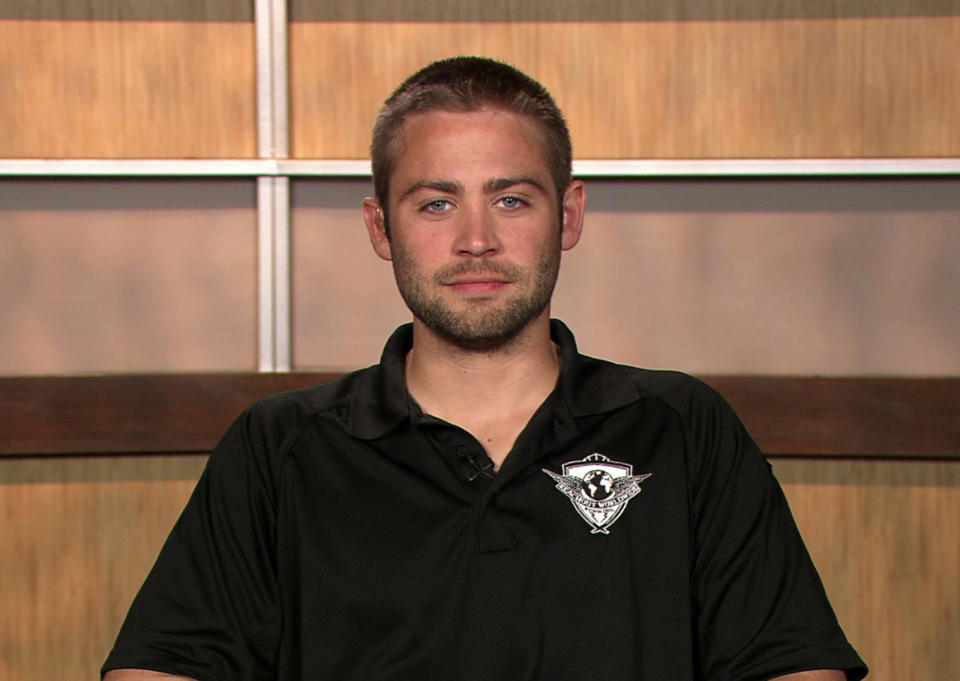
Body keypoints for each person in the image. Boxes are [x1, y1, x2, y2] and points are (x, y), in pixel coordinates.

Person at [103, 56, 867, 681]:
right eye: (436, 204)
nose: (475, 239)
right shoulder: (280, 448)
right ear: (380, 226)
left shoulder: (682, 429)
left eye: (510, 199)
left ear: (567, 216)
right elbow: (160, 667)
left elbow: (793, 665)